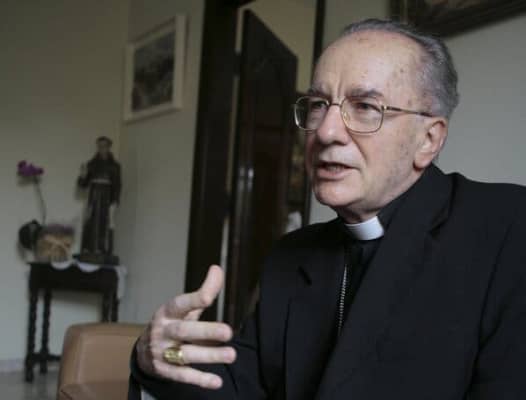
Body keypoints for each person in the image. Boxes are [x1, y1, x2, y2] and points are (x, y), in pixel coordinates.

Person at [129, 19, 526, 399]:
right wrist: (156, 358)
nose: (325, 131)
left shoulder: (509, 228)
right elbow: (242, 387)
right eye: (318, 104)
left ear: (428, 139)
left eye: (365, 106)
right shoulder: (290, 255)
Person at [77, 136, 121, 264]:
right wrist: (83, 175)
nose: (102, 149)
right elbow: (83, 184)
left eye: (104, 146)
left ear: (109, 147)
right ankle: (88, 248)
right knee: (91, 221)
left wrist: (115, 201)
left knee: (105, 222)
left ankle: (103, 250)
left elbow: (117, 185)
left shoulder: (115, 166)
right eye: (99, 146)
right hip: (93, 196)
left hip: (106, 197)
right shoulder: (91, 164)